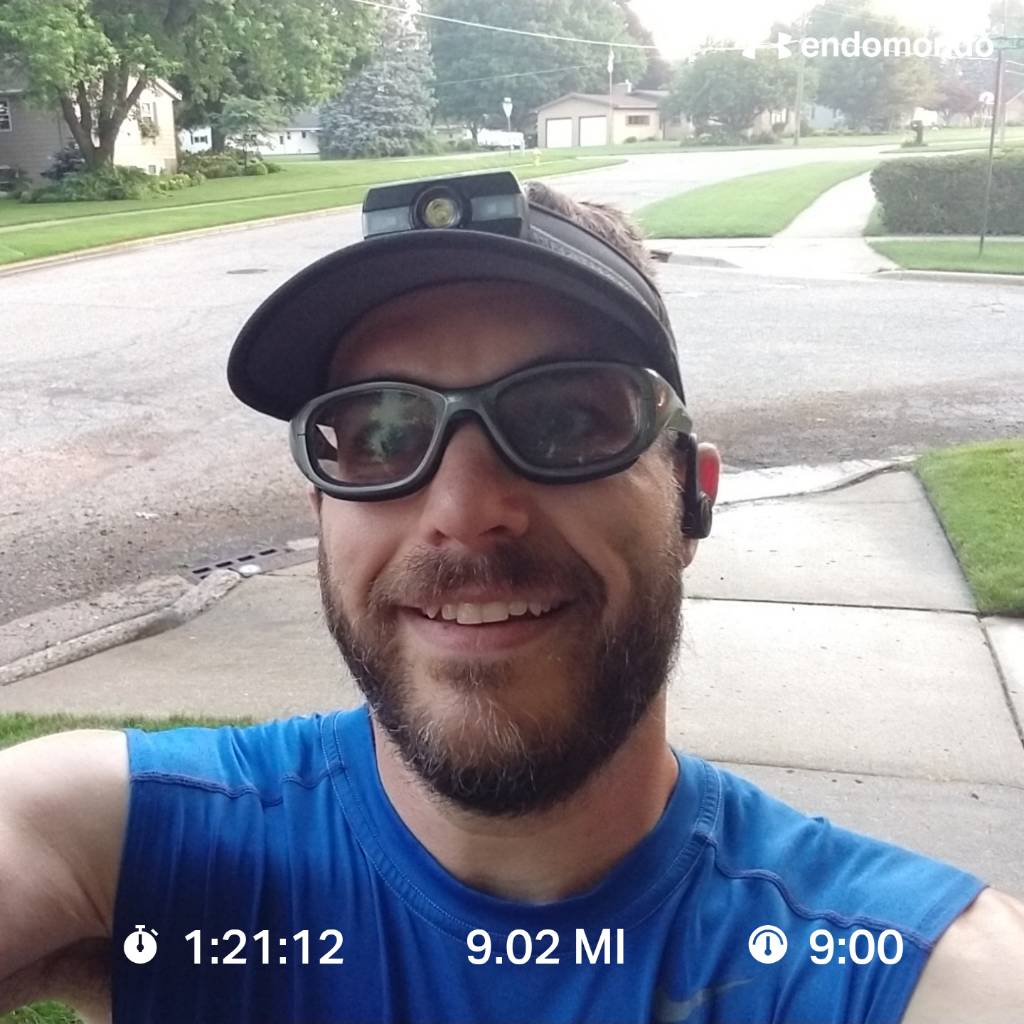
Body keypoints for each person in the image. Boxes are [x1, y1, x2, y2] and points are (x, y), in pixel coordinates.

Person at [1, 171, 1021, 1024]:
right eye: (382, 435)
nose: (463, 511)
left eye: (568, 419)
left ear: (691, 496)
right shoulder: (123, 844)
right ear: (320, 507)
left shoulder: (892, 970)